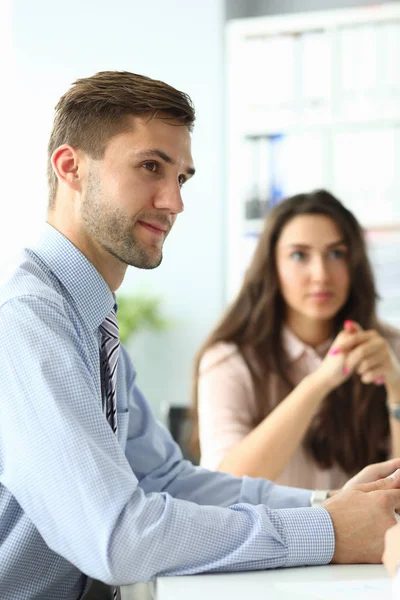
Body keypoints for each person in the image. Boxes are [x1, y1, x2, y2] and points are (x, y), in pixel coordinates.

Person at [1, 72, 400, 600]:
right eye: (150, 167)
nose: (174, 202)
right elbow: (118, 538)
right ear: (71, 167)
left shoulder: (89, 319)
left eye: (182, 178)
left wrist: (328, 506)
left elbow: (167, 480)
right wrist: (327, 533)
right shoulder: (30, 322)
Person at [191, 190, 400, 490]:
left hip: (371, 536)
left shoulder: (390, 349)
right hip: (273, 537)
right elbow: (226, 486)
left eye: (336, 253)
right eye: (299, 255)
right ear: (271, 265)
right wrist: (321, 381)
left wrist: (396, 386)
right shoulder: (229, 360)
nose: (321, 275)